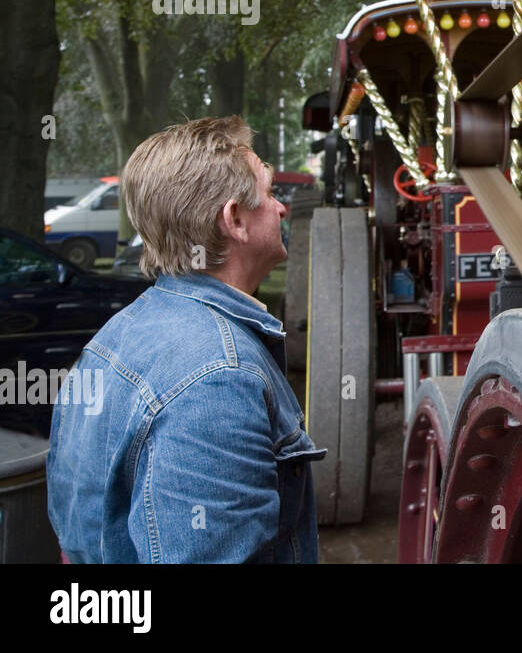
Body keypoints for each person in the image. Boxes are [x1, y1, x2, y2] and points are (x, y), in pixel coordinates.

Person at [46, 116, 323, 562]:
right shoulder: (218, 380)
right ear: (235, 219)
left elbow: (72, 543)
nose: (281, 208)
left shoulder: (108, 341)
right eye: (270, 193)